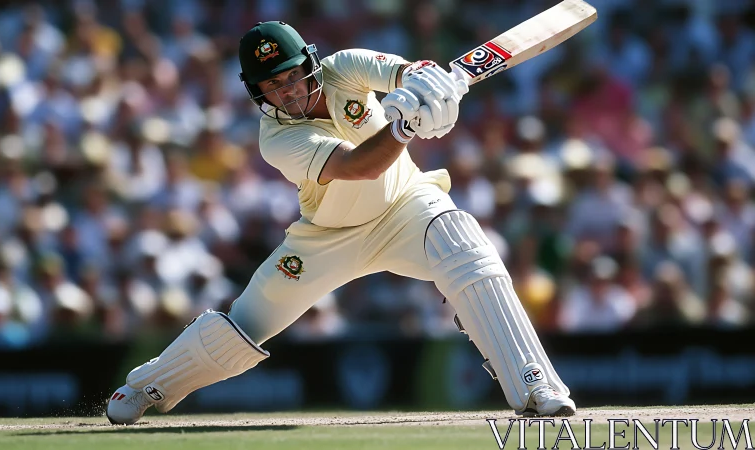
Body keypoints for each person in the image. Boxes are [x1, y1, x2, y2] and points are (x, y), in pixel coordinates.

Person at [107, 21, 576, 424]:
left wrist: (431, 83)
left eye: (291, 76)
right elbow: (358, 167)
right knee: (242, 327)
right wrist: (405, 126)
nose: (287, 91)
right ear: (257, 92)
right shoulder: (276, 139)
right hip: (327, 238)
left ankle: (536, 385)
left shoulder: (344, 67)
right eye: (273, 86)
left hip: (405, 205)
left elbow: (404, 72)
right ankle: (148, 386)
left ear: (310, 64)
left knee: (464, 241)